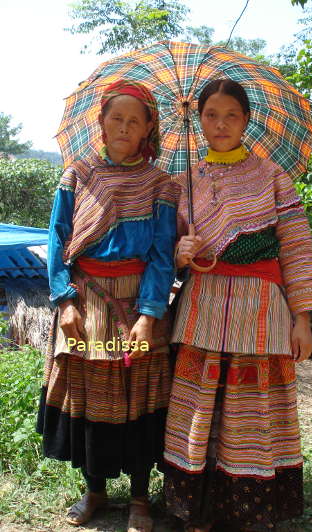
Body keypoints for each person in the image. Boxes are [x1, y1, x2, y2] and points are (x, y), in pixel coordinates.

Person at [163, 79, 312, 532]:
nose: (220, 124)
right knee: (200, 404)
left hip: (260, 311)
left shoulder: (273, 177)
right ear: (199, 120)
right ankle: (198, 507)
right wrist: (181, 250)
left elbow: (296, 248)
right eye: (211, 115)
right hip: (203, 307)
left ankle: (250, 505)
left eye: (231, 115)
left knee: (249, 407)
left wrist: (303, 319)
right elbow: (166, 251)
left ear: (247, 120)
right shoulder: (184, 183)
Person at [37, 80, 178, 532]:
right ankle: (95, 490)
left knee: (140, 396)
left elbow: (161, 254)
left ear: (148, 128)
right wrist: (65, 302)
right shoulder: (77, 175)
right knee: (89, 394)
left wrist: (148, 316)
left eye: (134, 120)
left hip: (139, 303)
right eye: (116, 118)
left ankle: (140, 498)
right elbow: (58, 240)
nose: (124, 126)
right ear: (100, 122)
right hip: (87, 302)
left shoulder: (161, 185)